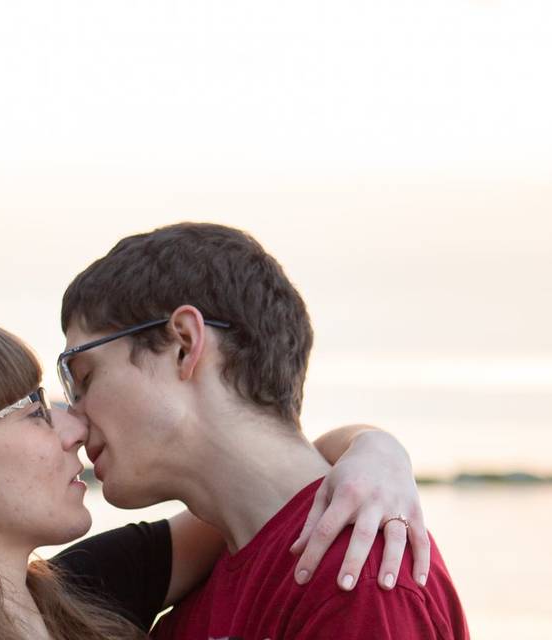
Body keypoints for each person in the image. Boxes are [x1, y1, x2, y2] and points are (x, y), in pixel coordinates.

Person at [0, 315, 427, 639]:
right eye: (36, 411)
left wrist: (374, 451)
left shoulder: (87, 589)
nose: (75, 427)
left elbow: (261, 494)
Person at [58, 222, 469, 639]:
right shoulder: (193, 609)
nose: (73, 417)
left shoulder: (358, 577)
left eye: (84, 378)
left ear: (183, 344)